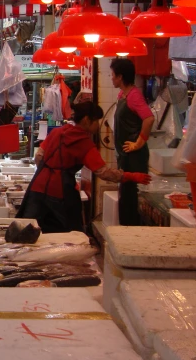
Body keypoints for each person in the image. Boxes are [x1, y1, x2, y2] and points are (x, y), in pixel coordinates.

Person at [17, 102, 151, 233]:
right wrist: (131, 176)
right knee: (71, 234)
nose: (98, 125)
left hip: (37, 187)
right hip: (60, 192)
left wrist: (49, 173)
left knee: (26, 230)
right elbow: (104, 172)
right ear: (87, 120)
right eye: (96, 121)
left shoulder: (57, 132)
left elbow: (39, 156)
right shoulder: (84, 143)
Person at [111, 58, 155, 225]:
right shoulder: (123, 94)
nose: (111, 78)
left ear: (120, 77)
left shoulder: (134, 95)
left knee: (131, 198)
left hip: (135, 157)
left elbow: (149, 119)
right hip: (125, 156)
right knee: (125, 196)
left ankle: (132, 233)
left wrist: (139, 142)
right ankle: (125, 232)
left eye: (113, 75)